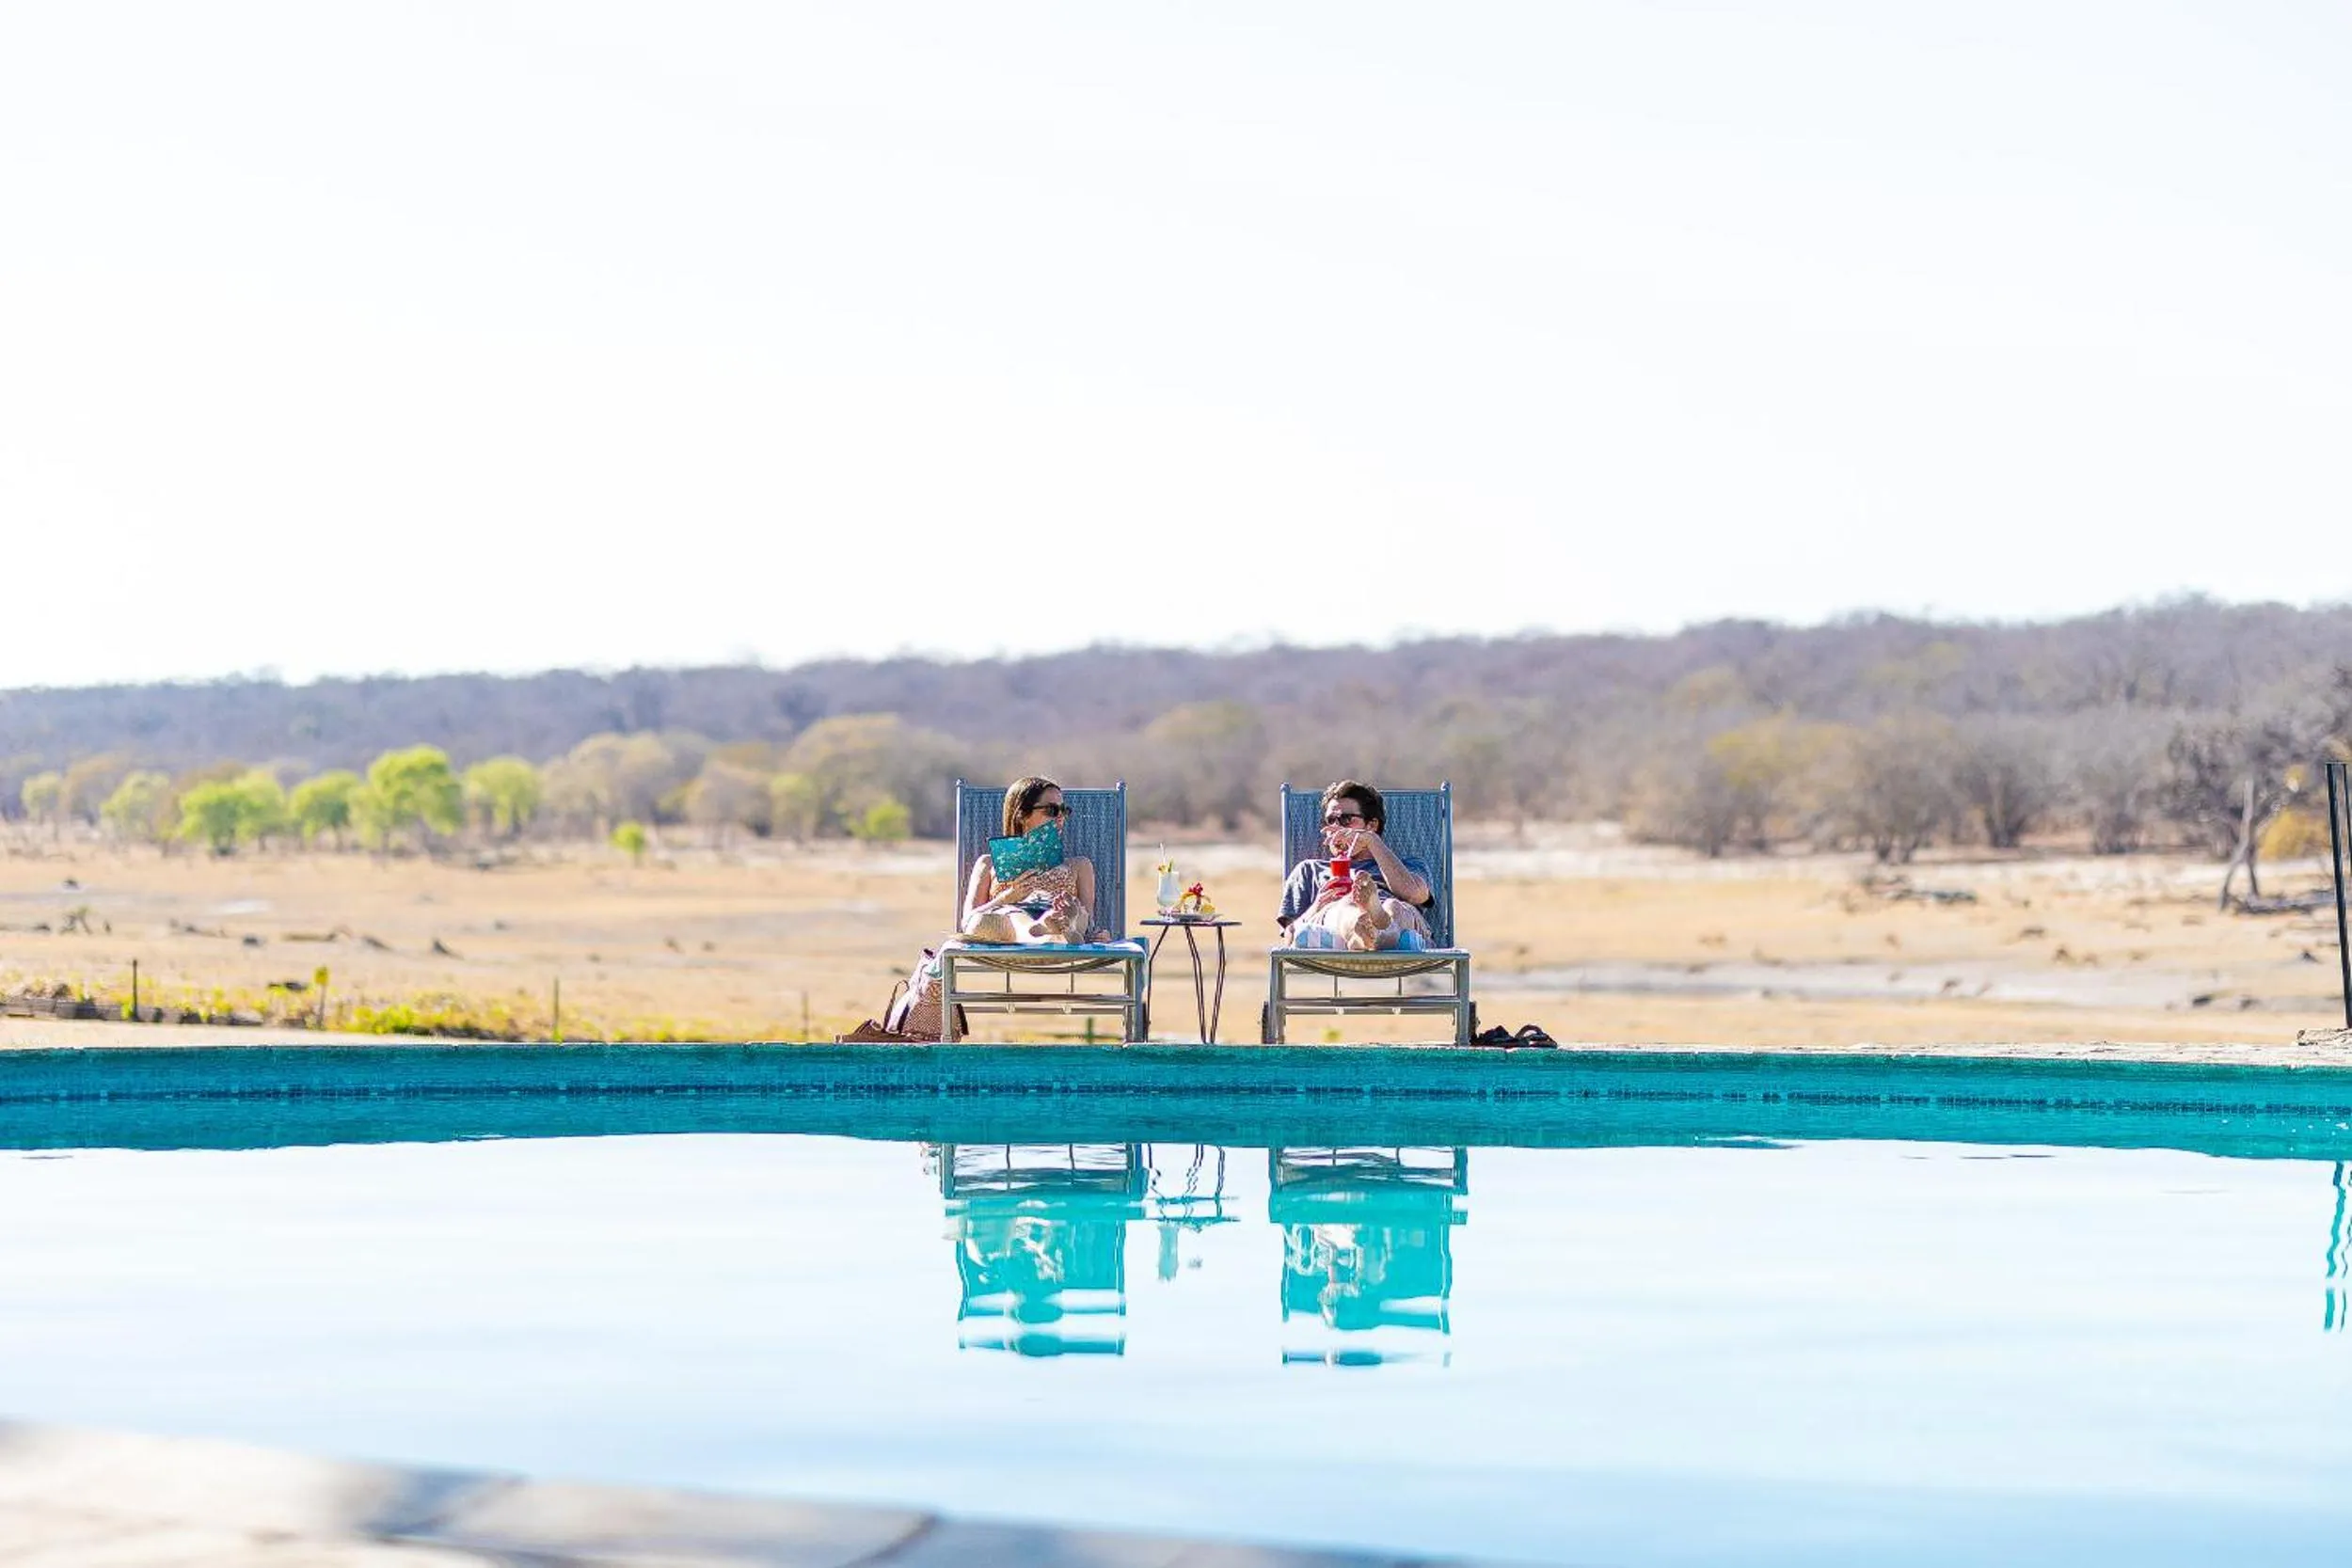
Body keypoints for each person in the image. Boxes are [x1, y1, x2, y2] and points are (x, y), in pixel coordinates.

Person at [1277, 780, 1436, 951]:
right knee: (1348, 906)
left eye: (1346, 819)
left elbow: (1414, 895)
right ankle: (1370, 933)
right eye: (1331, 820)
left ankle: (1373, 927)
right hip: (1334, 916)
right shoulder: (1309, 870)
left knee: (1394, 907)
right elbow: (1290, 937)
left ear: (1372, 825)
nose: (1336, 828)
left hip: (1399, 917)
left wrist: (1371, 841)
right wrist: (1317, 906)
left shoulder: (1407, 865)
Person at [960, 775, 1098, 945]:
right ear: (1022, 815)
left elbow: (1091, 922)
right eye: (1052, 810)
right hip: (1011, 922)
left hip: (1063, 917)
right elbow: (967, 921)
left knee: (1078, 913)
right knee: (990, 920)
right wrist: (1006, 898)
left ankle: (1064, 926)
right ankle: (1045, 932)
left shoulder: (1079, 866)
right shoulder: (989, 863)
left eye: (1064, 811)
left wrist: (1091, 928)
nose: (1060, 817)